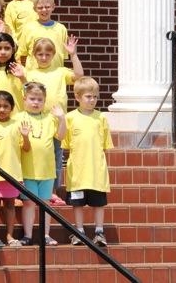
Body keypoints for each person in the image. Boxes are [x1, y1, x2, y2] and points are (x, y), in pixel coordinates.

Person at [12, 36, 84, 205]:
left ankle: (52, 192)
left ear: (53, 55)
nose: (44, 57)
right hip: (35, 121)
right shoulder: (31, 72)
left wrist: (73, 55)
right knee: (32, 156)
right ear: (34, 55)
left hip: (56, 121)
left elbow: (79, 76)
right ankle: (26, 190)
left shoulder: (60, 71)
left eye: (47, 54)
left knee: (56, 157)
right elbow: (27, 92)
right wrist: (23, 77)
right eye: (40, 54)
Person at [62, 76, 114, 247]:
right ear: (77, 97)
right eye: (88, 96)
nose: (92, 100)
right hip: (77, 171)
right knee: (77, 203)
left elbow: (105, 146)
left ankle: (99, 231)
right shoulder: (70, 118)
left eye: (95, 97)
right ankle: (79, 231)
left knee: (98, 203)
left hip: (96, 171)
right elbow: (66, 143)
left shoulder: (101, 118)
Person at [16, 82, 67, 246]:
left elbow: (60, 136)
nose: (36, 102)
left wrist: (61, 118)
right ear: (24, 99)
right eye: (32, 99)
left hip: (47, 170)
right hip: (27, 169)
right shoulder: (18, 118)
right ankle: (28, 235)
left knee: (45, 203)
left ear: (44, 101)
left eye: (39, 99)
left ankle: (45, 235)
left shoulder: (49, 118)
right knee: (29, 203)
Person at [0, 91, 30, 247]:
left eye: (5, 106)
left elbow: (26, 149)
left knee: (10, 205)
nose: (1, 109)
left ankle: (10, 236)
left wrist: (26, 136)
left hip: (12, 173)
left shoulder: (17, 124)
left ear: (12, 108)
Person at [17, 0, 68, 70]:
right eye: (40, 7)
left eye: (47, 7)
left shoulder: (61, 29)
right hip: (34, 75)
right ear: (34, 9)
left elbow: (63, 55)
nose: (44, 10)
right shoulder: (28, 28)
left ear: (53, 7)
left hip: (55, 74)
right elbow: (22, 54)